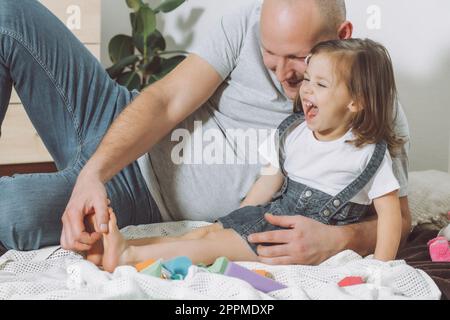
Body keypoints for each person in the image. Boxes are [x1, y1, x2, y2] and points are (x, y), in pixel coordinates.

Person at [0, 0, 411, 265]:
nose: (285, 74)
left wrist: (338, 239)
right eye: (270, 54)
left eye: (300, 59)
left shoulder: (369, 99)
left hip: (138, 196)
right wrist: (93, 173)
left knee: (9, 211)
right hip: (113, 118)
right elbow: (165, 101)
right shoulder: (243, 24)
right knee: (8, 15)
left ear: (341, 37)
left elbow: (398, 217)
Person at [94, 38, 404, 272]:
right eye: (307, 78)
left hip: (290, 239)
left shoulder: (367, 153)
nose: (307, 90)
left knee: (214, 247)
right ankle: (126, 246)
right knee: (207, 234)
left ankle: (128, 256)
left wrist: (381, 266)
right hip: (271, 214)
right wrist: (240, 218)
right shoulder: (294, 132)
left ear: (355, 103)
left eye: (321, 84)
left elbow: (390, 217)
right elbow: (269, 181)